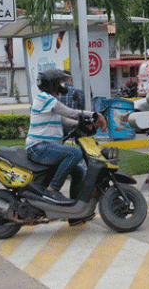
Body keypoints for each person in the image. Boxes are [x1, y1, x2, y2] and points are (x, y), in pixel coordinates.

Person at [25, 69, 107, 206]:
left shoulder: (49, 102)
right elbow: (71, 113)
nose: (62, 86)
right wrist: (95, 115)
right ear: (51, 84)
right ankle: (52, 190)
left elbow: (66, 121)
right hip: (38, 147)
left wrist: (87, 126)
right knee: (75, 153)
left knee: (79, 170)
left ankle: (75, 209)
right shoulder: (45, 99)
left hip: (45, 147)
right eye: (60, 83)